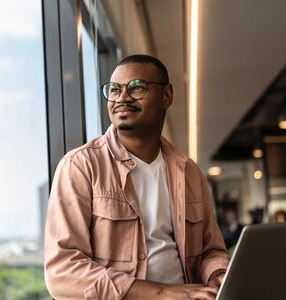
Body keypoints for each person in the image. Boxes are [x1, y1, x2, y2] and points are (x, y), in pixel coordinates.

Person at [44, 54, 229, 299]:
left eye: (137, 87)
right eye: (114, 89)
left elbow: (209, 252)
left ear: (167, 96)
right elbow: (63, 271)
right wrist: (161, 293)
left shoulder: (188, 171)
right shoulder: (80, 166)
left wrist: (220, 276)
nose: (122, 97)